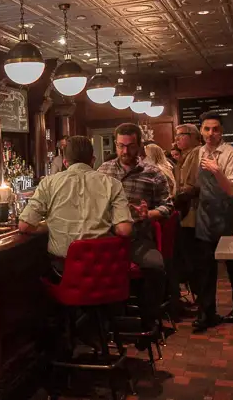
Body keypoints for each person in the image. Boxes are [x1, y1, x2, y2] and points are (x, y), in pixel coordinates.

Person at [18, 135, 132, 276]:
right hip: (104, 269)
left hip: (64, 271)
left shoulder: (48, 183)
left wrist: (49, 225)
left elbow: (24, 226)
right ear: (93, 160)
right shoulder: (113, 184)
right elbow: (124, 230)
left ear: (65, 162)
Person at [98, 123, 171, 329]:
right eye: (120, 146)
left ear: (139, 146)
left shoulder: (153, 173)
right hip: (108, 238)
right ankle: (106, 325)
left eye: (130, 146)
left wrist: (150, 214)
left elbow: (168, 206)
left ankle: (149, 323)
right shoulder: (104, 170)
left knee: (156, 267)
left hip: (138, 238)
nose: (124, 151)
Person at [192, 111, 233, 332]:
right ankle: (206, 313)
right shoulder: (199, 153)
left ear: (222, 131)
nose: (211, 133)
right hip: (206, 216)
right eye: (207, 129)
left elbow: (232, 190)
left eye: (215, 129)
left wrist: (217, 172)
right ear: (201, 130)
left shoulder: (231, 155)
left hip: (227, 215)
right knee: (205, 269)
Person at [172, 123, 202, 304]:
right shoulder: (185, 156)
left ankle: (201, 298)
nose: (176, 139)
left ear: (193, 136)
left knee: (193, 258)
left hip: (193, 213)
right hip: (186, 213)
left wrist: (174, 197)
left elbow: (194, 186)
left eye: (180, 135)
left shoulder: (197, 153)